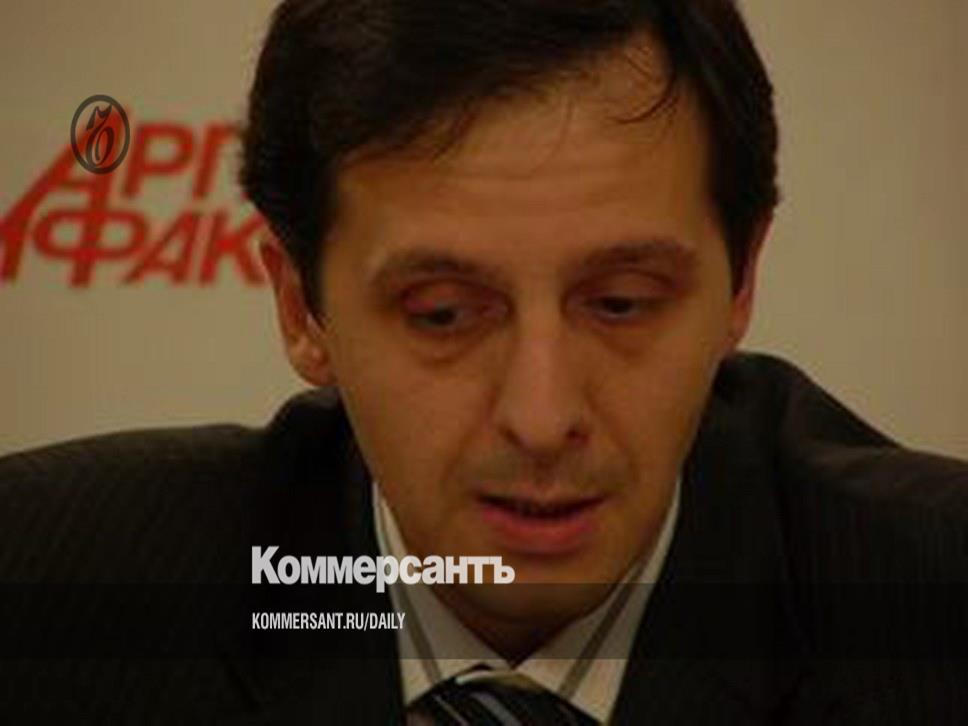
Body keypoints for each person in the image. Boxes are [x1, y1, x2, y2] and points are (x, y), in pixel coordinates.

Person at [1, 1, 966, 723]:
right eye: (445, 314)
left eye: (621, 303)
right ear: (302, 308)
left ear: (741, 282)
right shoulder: (51, 603)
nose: (541, 419)